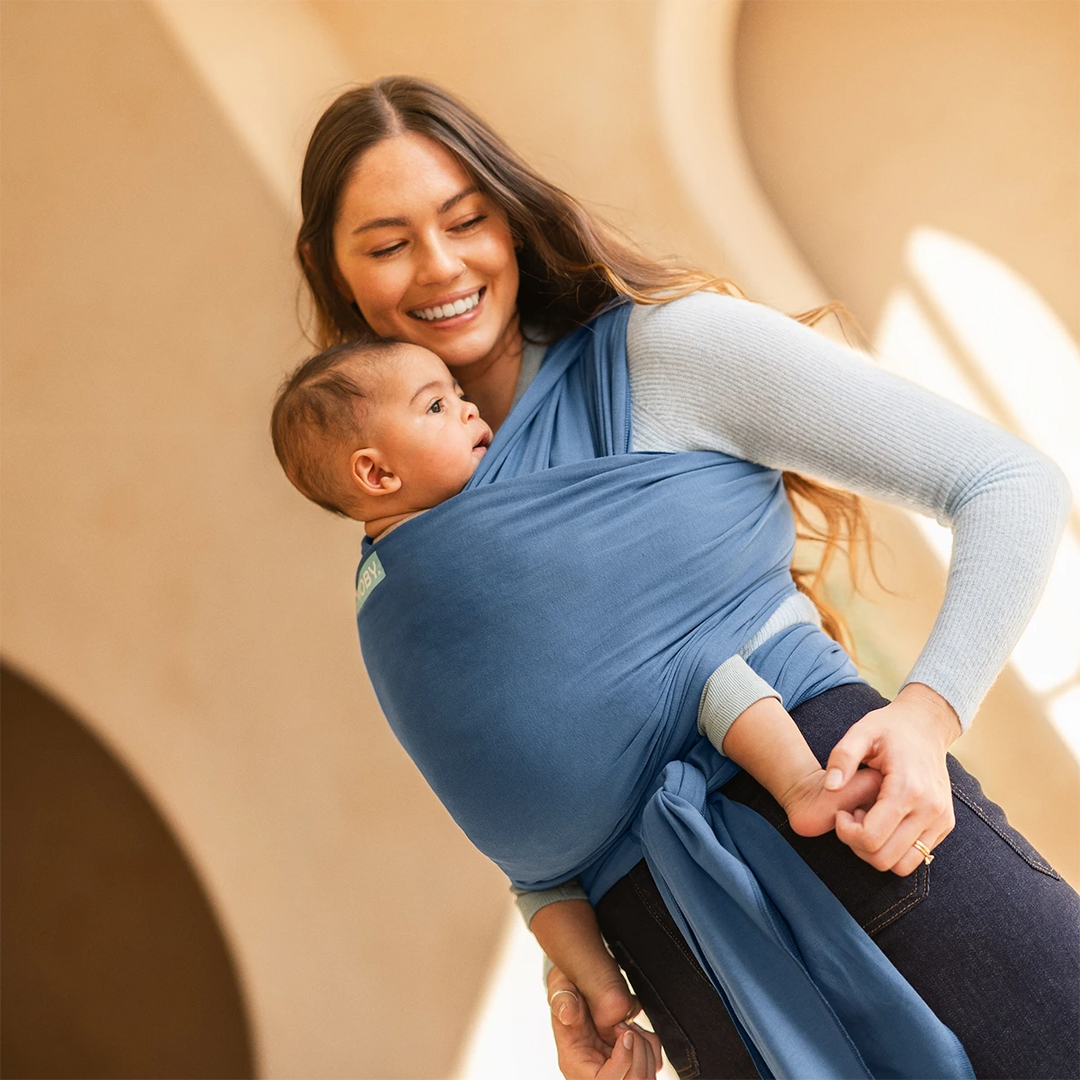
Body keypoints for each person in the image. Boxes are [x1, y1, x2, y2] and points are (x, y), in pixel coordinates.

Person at [291, 75, 1080, 1079]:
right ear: (330, 265)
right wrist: (576, 969)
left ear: (511, 215)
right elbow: (515, 771)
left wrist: (928, 718)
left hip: (861, 829)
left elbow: (1010, 481)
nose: (440, 266)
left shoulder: (668, 355)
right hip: (686, 955)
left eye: (466, 219)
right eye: (390, 243)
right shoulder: (411, 540)